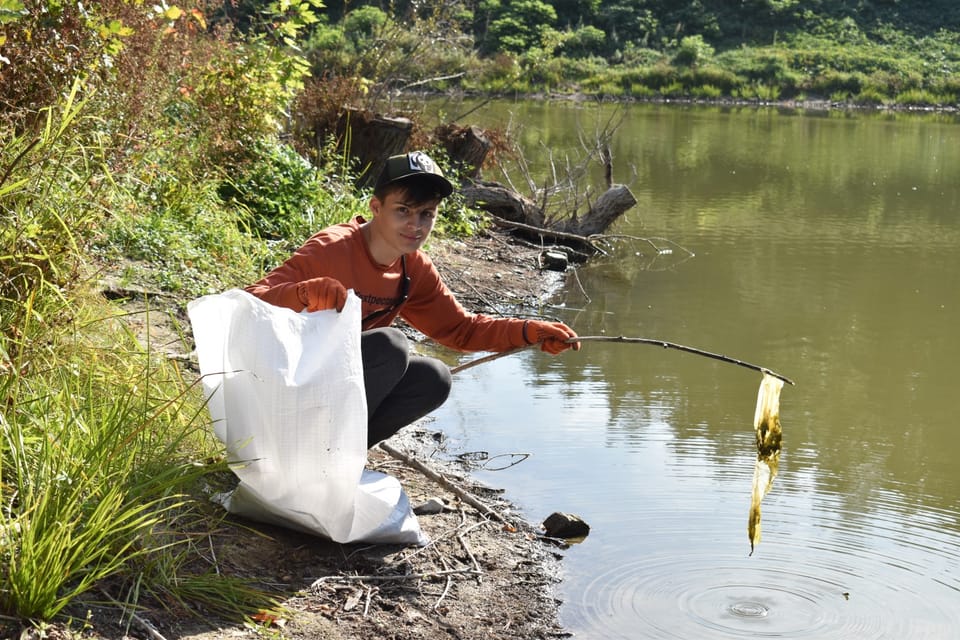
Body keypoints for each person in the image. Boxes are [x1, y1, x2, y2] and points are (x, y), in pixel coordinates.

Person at [245, 151, 580, 448]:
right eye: (403, 210)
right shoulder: (333, 248)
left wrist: (529, 331)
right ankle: (301, 449)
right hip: (285, 387)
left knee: (434, 378)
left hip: (332, 390)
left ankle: (337, 458)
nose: (415, 225)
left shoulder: (412, 267)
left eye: (426, 214)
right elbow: (248, 302)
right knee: (391, 345)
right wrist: (302, 293)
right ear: (376, 207)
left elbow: (461, 330)